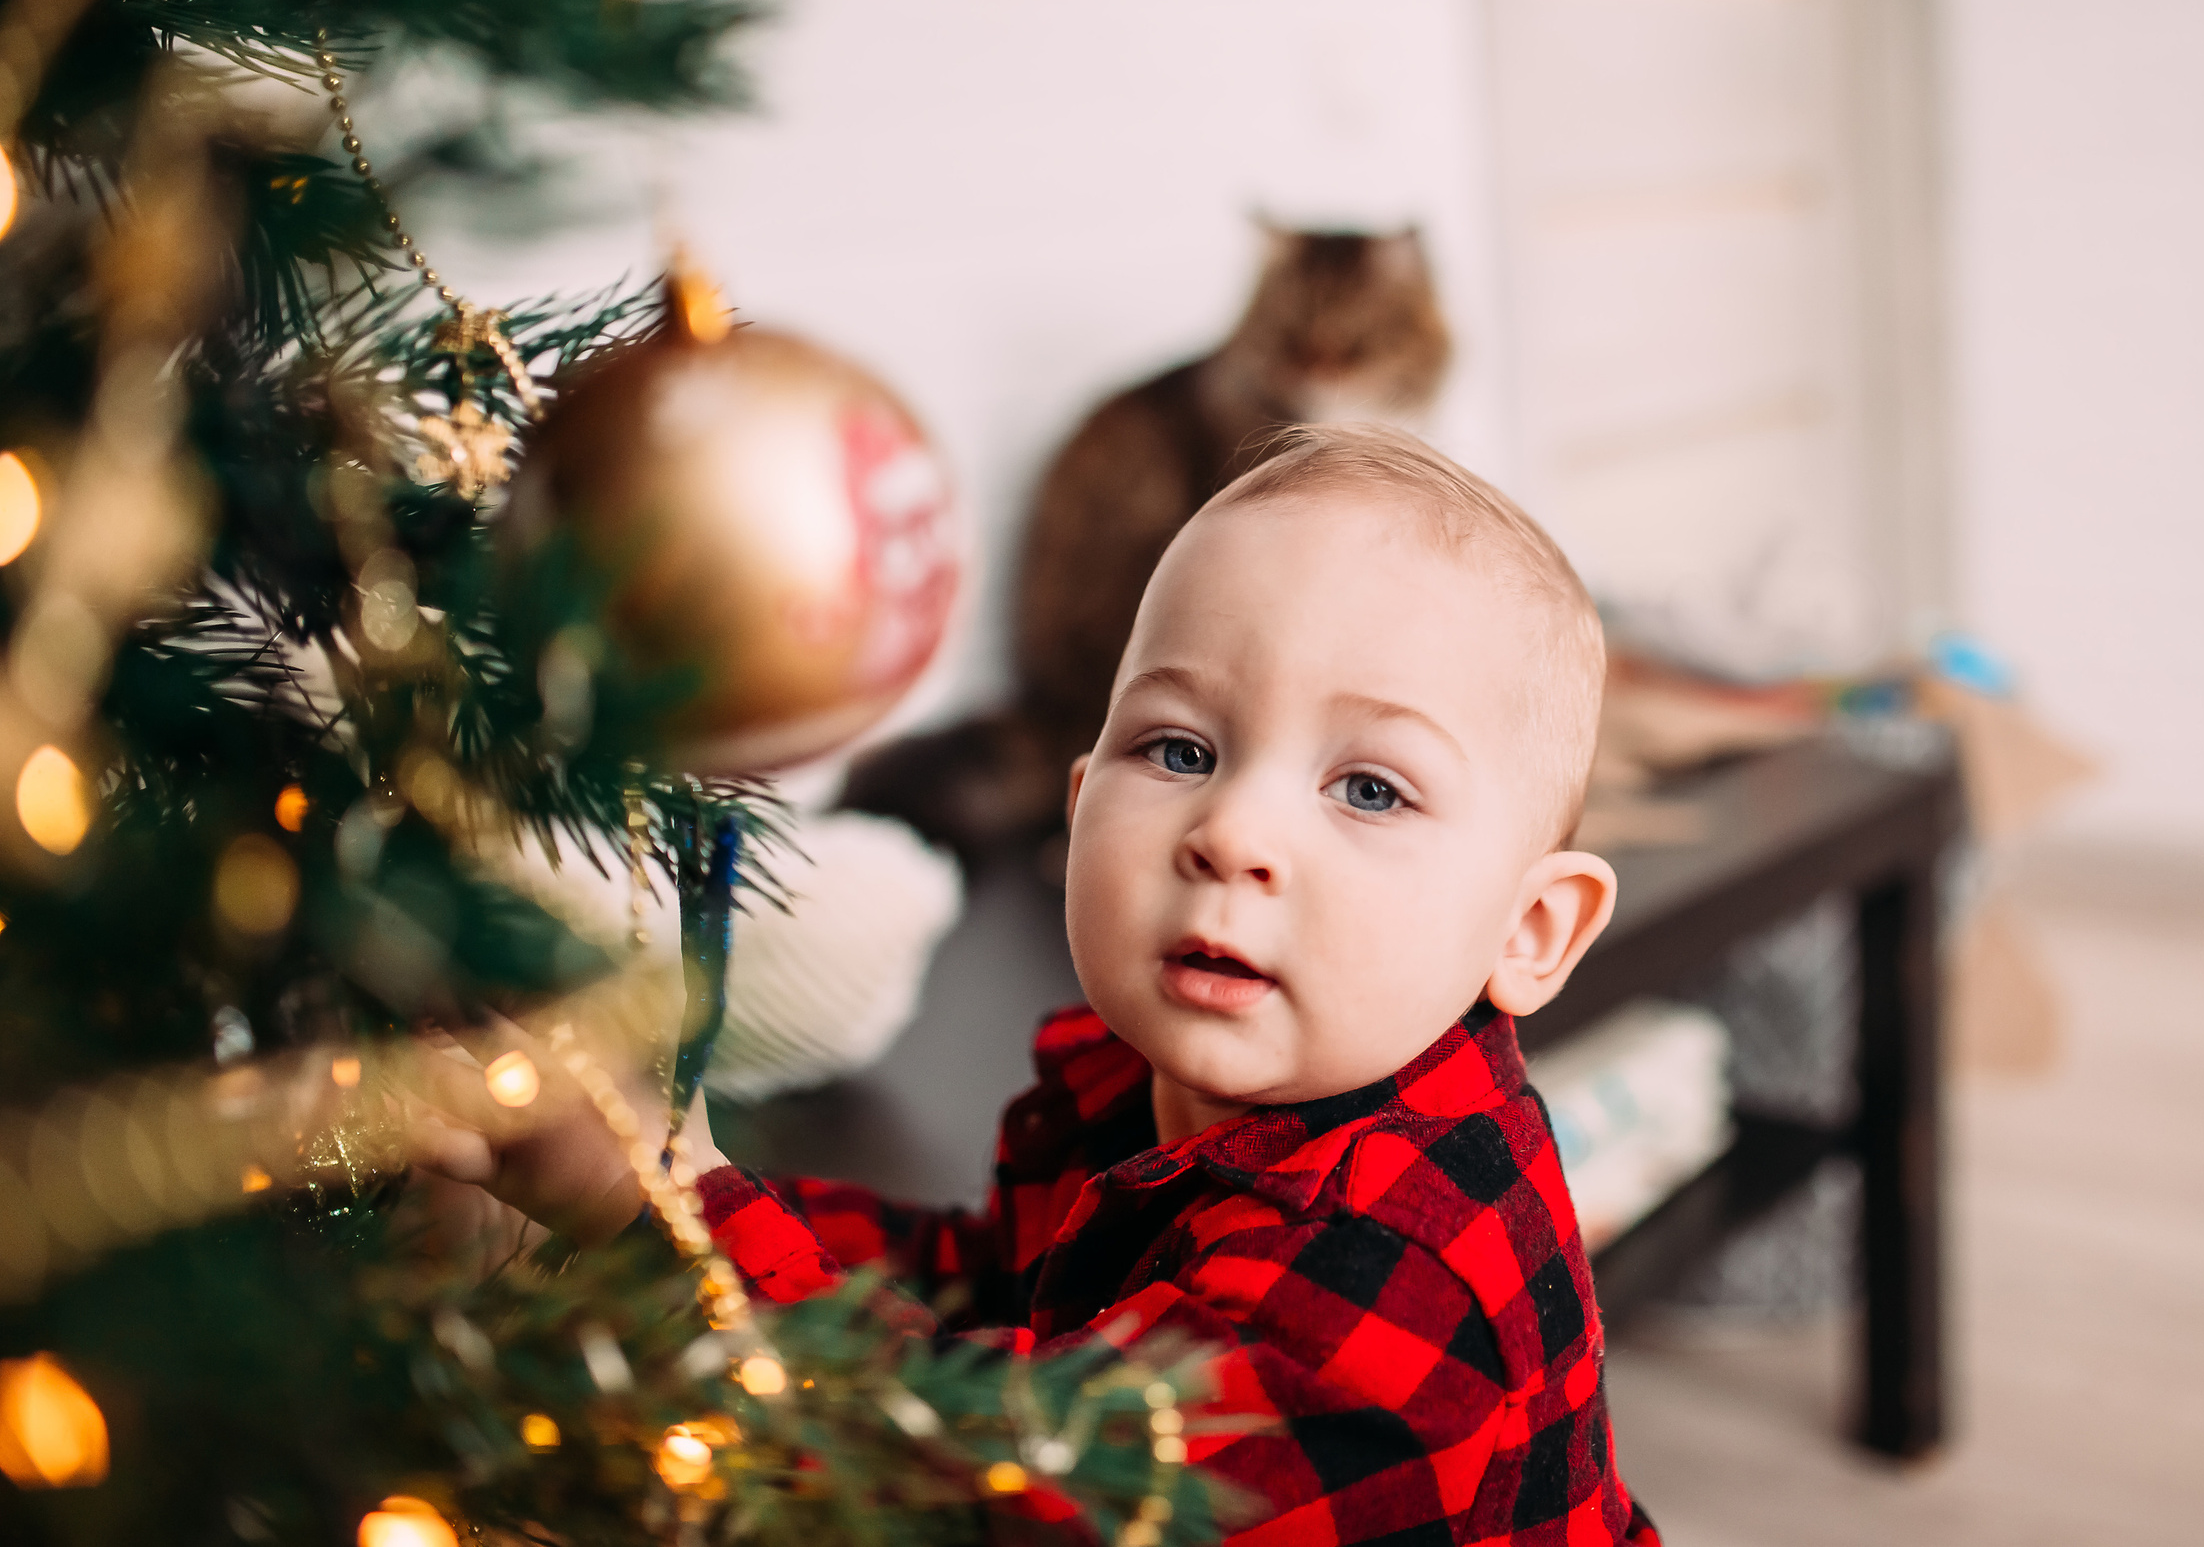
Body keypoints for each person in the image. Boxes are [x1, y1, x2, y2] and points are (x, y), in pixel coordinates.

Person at [424, 425, 1657, 1546]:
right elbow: (988, 1296)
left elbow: (990, 1495)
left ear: (1532, 930)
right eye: (1180, 749)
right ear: (1076, 814)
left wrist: (674, 1213)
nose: (1232, 831)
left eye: (1370, 788)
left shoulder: (1396, 1269)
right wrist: (684, 1182)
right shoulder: (1152, 1089)